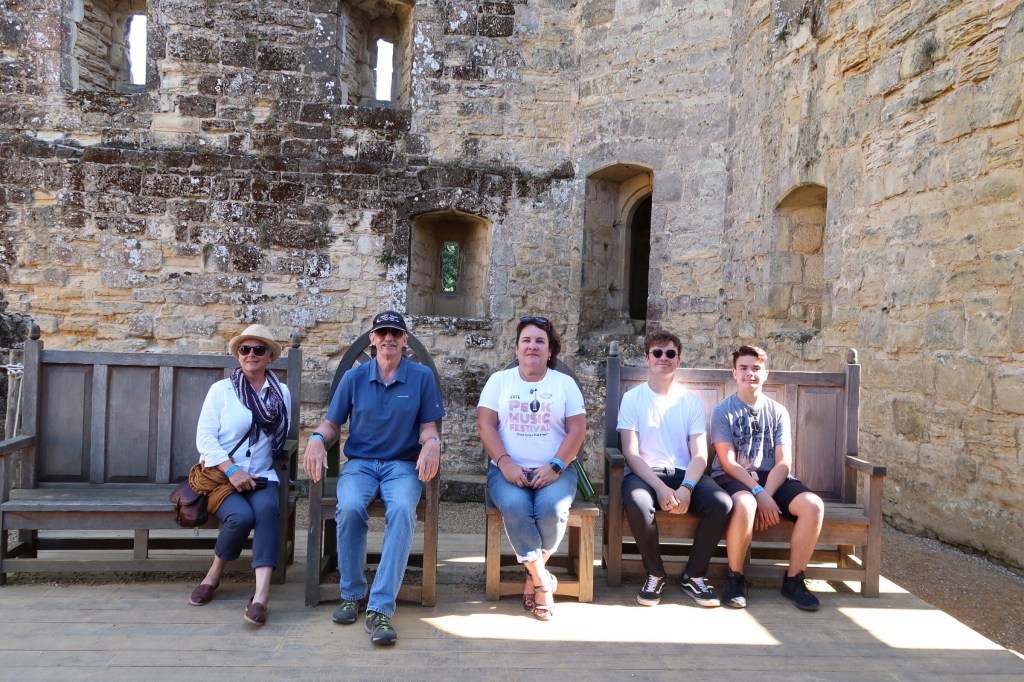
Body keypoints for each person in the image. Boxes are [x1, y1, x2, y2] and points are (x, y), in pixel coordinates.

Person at [303, 311, 445, 646]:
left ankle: (380, 607)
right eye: (382, 333)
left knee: (402, 511)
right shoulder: (354, 378)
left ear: (405, 340)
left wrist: (433, 443)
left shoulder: (421, 377)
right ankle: (352, 593)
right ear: (373, 339)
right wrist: (316, 439)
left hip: (402, 465)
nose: (388, 338)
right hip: (361, 464)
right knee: (350, 507)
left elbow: (428, 427)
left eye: (395, 333)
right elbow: (332, 424)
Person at [478, 315, 586, 621]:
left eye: (540, 341)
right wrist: (506, 464)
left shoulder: (564, 384)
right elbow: (486, 426)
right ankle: (542, 581)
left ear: (550, 350)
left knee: (552, 508)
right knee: (515, 506)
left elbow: (577, 429)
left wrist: (555, 466)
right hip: (507, 470)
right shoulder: (499, 382)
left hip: (557, 470)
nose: (532, 347)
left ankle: (533, 577)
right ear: (516, 349)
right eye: (526, 341)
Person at [617, 330, 733, 607]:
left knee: (722, 503)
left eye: (670, 353)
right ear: (647, 358)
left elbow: (700, 455)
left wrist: (686, 488)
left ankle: (694, 575)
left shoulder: (690, 401)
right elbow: (631, 453)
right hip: (645, 474)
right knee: (637, 501)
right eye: (657, 352)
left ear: (678, 360)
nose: (663, 358)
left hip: (684, 473)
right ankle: (655, 574)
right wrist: (659, 488)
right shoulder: (632, 399)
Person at [189, 324, 292, 627]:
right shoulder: (222, 391)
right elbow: (205, 438)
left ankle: (261, 597)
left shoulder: (281, 393)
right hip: (223, 474)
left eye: (259, 349)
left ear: (270, 356)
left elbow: (281, 435)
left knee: (267, 510)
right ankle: (213, 575)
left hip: (261, 474)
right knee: (241, 517)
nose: (251, 354)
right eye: (245, 349)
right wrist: (232, 470)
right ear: (238, 355)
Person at [710, 344, 825, 611]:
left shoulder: (778, 411)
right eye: (743, 368)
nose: (749, 373)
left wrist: (767, 495)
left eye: (756, 368)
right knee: (746, 503)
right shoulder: (723, 411)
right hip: (734, 476)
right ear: (734, 373)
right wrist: (758, 494)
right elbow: (728, 462)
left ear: (765, 373)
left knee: (813, 506)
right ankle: (735, 578)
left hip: (772, 477)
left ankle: (794, 579)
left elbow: (784, 462)